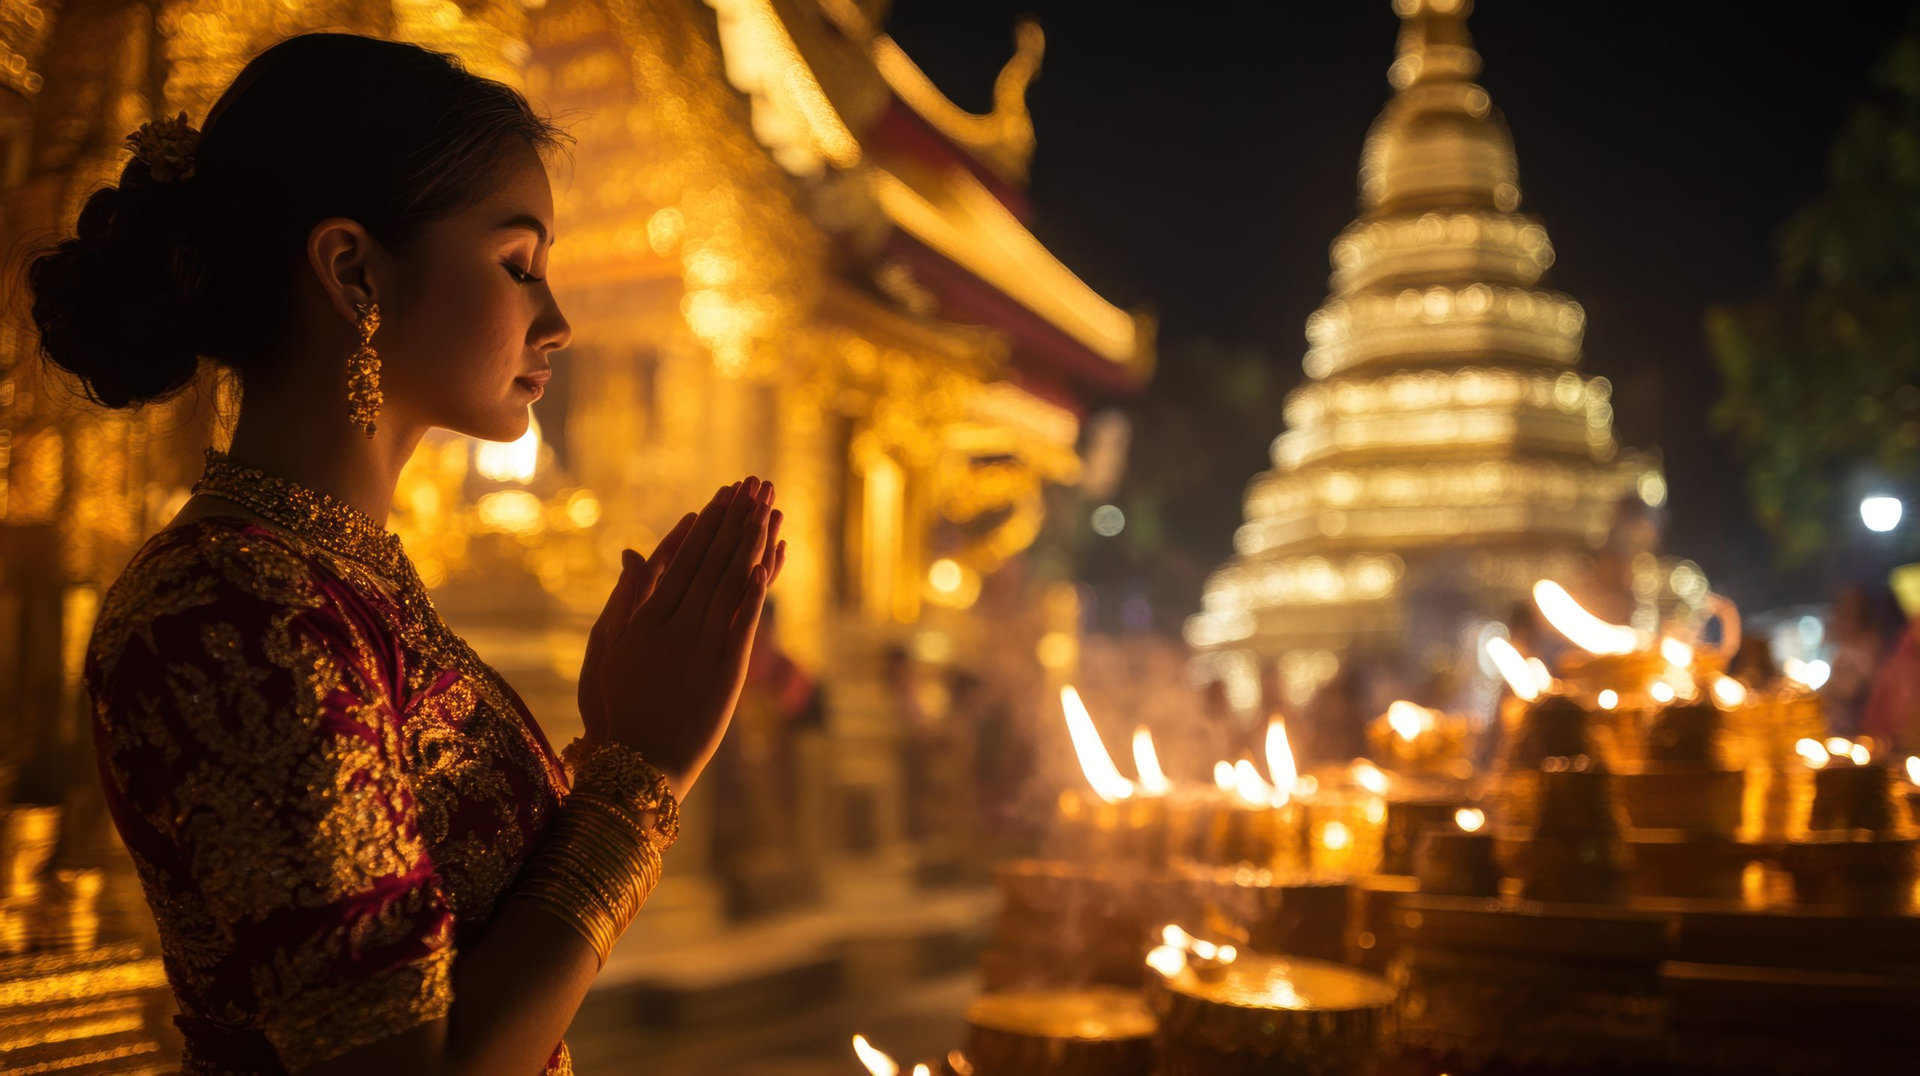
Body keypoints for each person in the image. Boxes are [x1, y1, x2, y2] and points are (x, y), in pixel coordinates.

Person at [25, 33, 786, 1075]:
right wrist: (636, 780)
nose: (557, 320)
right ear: (353, 270)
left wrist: (609, 741)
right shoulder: (230, 607)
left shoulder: (337, 578)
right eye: (519, 264)